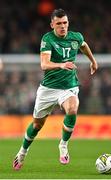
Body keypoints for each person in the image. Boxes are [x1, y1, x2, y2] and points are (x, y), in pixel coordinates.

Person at [13, 8, 98, 170]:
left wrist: (93, 61)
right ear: (52, 24)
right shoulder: (48, 39)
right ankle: (22, 152)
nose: (62, 26)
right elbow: (44, 64)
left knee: (73, 108)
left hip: (69, 86)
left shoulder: (76, 37)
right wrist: (61, 65)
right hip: (48, 89)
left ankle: (63, 145)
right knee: (37, 125)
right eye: (58, 23)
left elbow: (84, 45)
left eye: (65, 23)